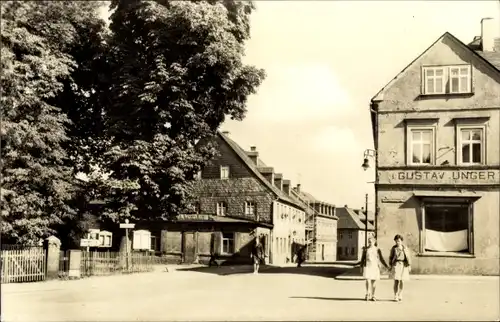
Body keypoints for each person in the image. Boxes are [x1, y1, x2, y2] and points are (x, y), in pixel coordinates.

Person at [359, 236, 390, 301]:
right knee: (367, 280)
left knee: (373, 282)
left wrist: (386, 266)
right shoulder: (366, 249)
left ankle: (373, 295)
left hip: (375, 267)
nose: (369, 243)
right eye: (369, 242)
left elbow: (381, 259)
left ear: (374, 242)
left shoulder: (377, 250)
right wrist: (361, 266)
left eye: (371, 242)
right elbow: (362, 259)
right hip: (367, 266)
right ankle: (367, 294)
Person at [389, 234, 411, 302]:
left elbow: (408, 257)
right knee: (396, 281)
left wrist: (409, 265)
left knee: (402, 281)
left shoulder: (405, 248)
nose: (397, 242)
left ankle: (400, 294)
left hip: (403, 265)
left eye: (398, 241)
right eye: (396, 241)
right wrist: (390, 265)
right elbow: (391, 257)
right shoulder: (393, 248)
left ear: (401, 241)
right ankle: (395, 295)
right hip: (396, 264)